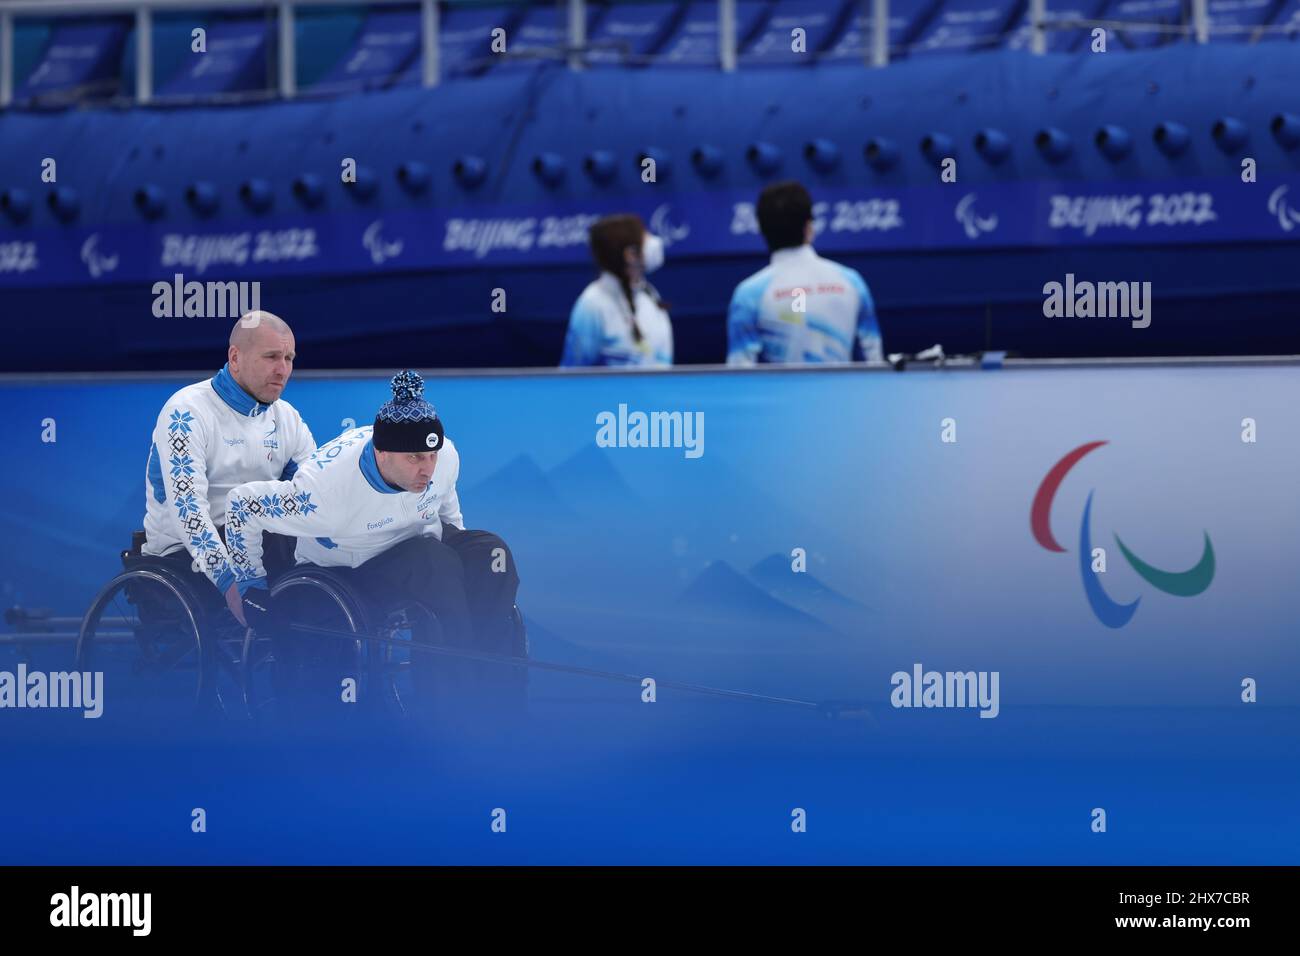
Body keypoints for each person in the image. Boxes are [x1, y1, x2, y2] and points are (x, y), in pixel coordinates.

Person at [221, 370, 522, 722]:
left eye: (431, 457)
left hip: (416, 542)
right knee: (434, 563)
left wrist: (464, 557)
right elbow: (242, 505)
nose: (426, 469)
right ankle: (454, 706)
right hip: (351, 571)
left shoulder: (445, 456)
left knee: (489, 553)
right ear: (381, 452)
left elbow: (445, 505)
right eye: (413, 459)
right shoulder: (323, 494)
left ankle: (499, 690)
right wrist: (248, 583)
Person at [141, 311, 315, 608]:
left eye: (289, 358)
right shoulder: (186, 412)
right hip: (185, 554)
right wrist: (230, 581)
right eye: (272, 356)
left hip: (262, 540)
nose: (283, 370)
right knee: (279, 542)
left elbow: (316, 490)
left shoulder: (287, 417)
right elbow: (189, 511)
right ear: (235, 358)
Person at [726, 180, 884, 365]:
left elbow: (740, 373)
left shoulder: (749, 295)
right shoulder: (851, 282)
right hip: (842, 393)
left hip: (781, 394)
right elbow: (874, 363)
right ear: (809, 227)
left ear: (762, 230)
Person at [560, 213, 673, 367]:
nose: (654, 242)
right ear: (630, 255)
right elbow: (572, 375)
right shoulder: (592, 305)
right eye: (646, 236)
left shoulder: (649, 293)